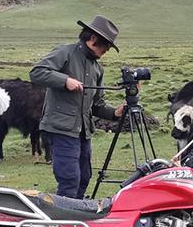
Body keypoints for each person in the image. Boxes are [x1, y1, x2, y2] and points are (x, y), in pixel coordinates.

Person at [30, 15, 124, 199]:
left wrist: (115, 113)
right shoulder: (65, 53)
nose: (106, 51)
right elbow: (37, 73)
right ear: (93, 39)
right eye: (106, 46)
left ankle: (76, 214)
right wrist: (65, 80)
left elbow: (97, 106)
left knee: (84, 177)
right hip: (61, 129)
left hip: (83, 132)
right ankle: (64, 223)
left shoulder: (97, 69)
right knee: (69, 179)